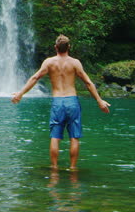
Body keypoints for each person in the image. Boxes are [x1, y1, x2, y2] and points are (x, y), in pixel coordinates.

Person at [11, 34, 110, 170]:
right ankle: (73, 168)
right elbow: (88, 82)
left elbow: (35, 78)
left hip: (57, 102)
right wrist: (99, 101)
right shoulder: (75, 63)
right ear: (69, 47)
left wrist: (20, 94)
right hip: (72, 101)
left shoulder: (49, 62)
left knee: (55, 137)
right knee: (74, 137)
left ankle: (54, 167)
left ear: (55, 47)